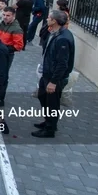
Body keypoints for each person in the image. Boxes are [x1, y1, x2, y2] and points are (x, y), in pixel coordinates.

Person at [32, 10, 75, 138]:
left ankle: (50, 129)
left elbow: (62, 63)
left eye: (49, 17)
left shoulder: (63, 38)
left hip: (54, 78)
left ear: (55, 21)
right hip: (47, 73)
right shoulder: (55, 33)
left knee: (52, 103)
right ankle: (47, 121)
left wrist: (53, 82)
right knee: (42, 96)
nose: (46, 19)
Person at [0, 6, 24, 71]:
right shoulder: (0, 24)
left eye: (8, 15)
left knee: (2, 74)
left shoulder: (16, 29)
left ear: (13, 16)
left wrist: (5, 49)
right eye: (4, 15)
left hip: (6, 54)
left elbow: (19, 46)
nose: (5, 17)